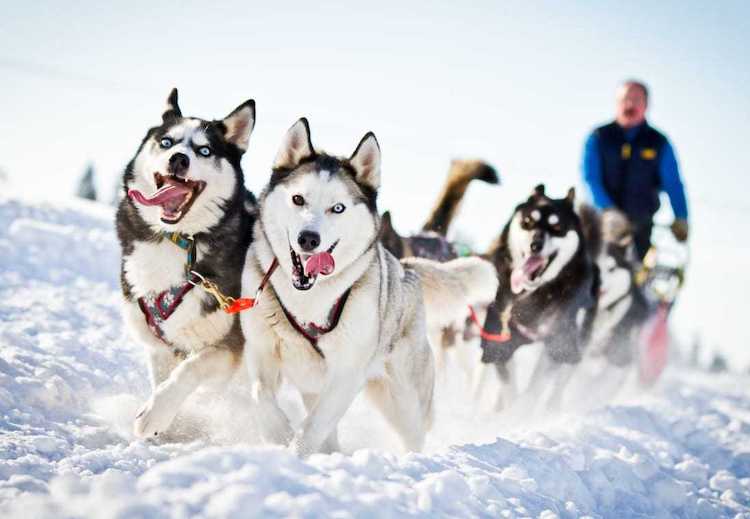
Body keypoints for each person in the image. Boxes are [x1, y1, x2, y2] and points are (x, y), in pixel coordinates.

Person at [582, 80, 689, 259]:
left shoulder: (658, 143)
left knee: (634, 270)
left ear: (646, 105)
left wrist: (681, 217)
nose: (630, 104)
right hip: (600, 228)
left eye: (636, 100)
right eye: (625, 99)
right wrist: (607, 211)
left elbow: (673, 184)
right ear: (617, 103)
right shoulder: (599, 137)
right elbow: (590, 179)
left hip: (640, 230)